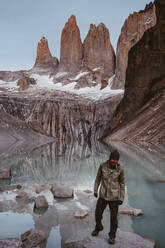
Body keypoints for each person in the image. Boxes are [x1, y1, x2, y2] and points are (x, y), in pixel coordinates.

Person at [91, 150, 125, 244]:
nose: (114, 161)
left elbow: (122, 184)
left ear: (117, 160)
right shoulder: (102, 166)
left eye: (116, 159)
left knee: (113, 218)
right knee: (98, 213)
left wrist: (121, 198)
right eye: (112, 159)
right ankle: (98, 227)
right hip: (103, 195)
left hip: (114, 198)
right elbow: (97, 179)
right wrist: (95, 190)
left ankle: (112, 236)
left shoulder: (120, 170)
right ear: (110, 158)